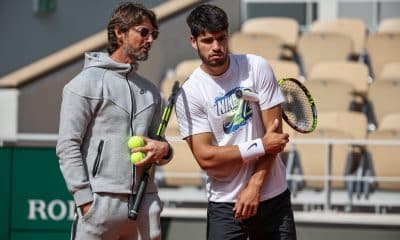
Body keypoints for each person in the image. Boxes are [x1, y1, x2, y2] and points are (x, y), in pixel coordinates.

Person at [175, 4, 296, 240]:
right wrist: (260, 146)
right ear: (194, 42)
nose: (217, 47)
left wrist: (254, 187)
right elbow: (206, 157)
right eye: (208, 41)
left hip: (272, 198)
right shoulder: (190, 92)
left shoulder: (256, 67)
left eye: (221, 39)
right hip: (225, 205)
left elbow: (275, 137)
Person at [56, 3, 173, 240]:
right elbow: (67, 146)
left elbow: (159, 143)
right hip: (99, 205)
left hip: (144, 205)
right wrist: (86, 202)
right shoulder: (83, 84)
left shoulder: (151, 91)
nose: (150, 39)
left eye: (154, 34)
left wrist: (165, 150)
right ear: (120, 32)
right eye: (143, 32)